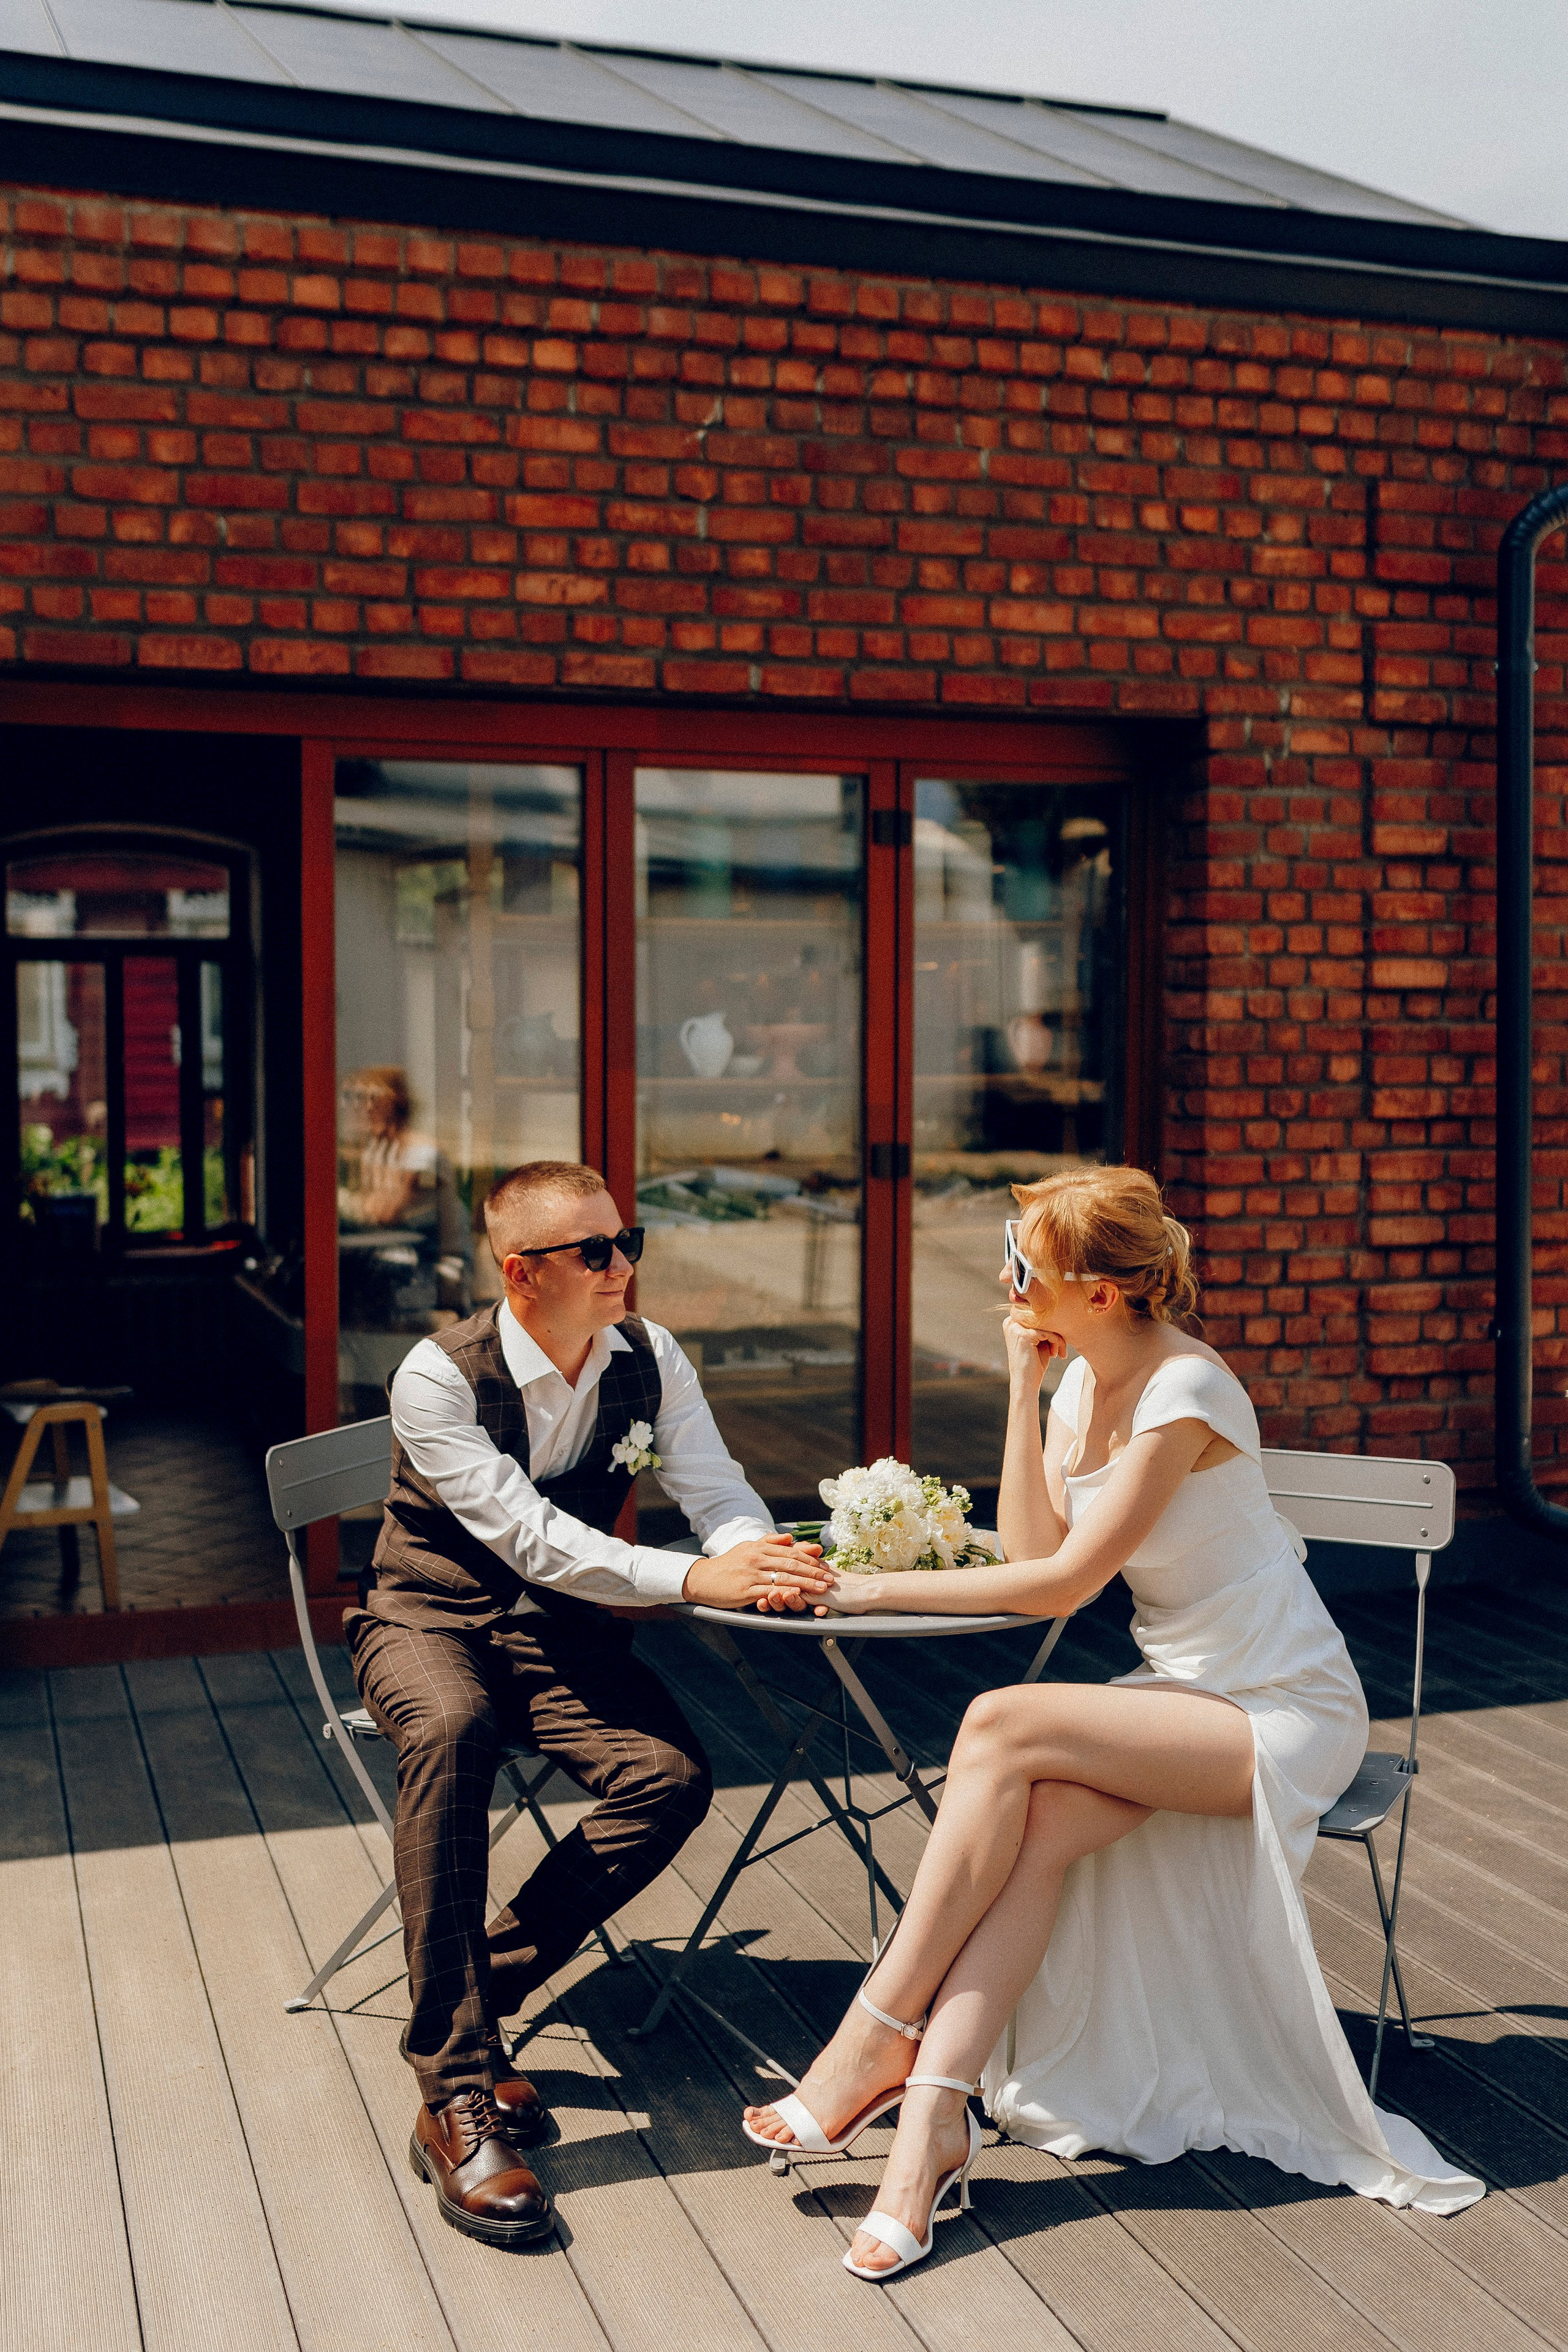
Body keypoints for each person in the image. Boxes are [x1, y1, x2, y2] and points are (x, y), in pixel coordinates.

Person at [742, 1164, 1482, 2282]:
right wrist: (1020, 1389)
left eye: (1024, 1265)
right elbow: (1031, 1546)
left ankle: (873, 2035)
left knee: (997, 1724)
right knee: (1029, 1816)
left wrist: (861, 1590)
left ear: (1100, 1290)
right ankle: (931, 2124)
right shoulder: (1084, 1378)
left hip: (1280, 1709)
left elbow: (1056, 1589)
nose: (1005, 1279)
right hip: (1178, 1698)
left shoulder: (1190, 1392)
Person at [350, 1158, 831, 2249]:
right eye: (598, 1251)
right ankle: (460, 2092)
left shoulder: (650, 1355)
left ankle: (461, 2004)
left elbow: (712, 1486)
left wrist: (754, 1554)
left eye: (630, 1242)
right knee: (454, 1730)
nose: (626, 1267)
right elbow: (529, 1537)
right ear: (522, 1274)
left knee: (670, 1779)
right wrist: (686, 1578)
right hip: (431, 1619)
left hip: (557, 1633)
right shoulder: (435, 1377)